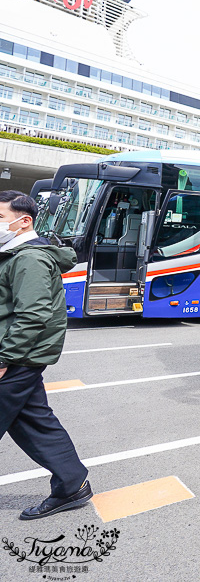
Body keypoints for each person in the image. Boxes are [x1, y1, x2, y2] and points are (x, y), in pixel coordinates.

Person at [0, 190, 92, 520]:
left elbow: (33, 315)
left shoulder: (29, 259)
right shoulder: (14, 254)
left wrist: (4, 358)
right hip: (20, 354)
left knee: (31, 423)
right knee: (33, 423)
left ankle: (72, 484)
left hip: (18, 356)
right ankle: (72, 484)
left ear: (24, 222)